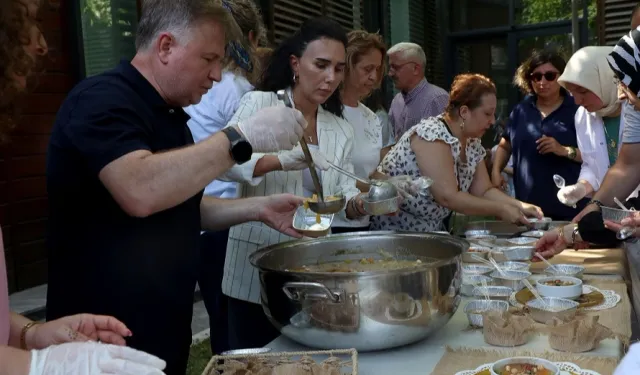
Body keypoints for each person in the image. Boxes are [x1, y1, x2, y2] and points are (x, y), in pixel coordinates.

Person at [45, 1, 309, 374]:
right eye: (209, 59)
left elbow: (183, 204)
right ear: (166, 46)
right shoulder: (100, 100)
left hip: (163, 330)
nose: (217, 75)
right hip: (99, 340)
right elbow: (140, 191)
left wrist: (259, 208)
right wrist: (239, 137)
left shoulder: (171, 116)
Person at [1, 1, 166, 374]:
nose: (41, 45)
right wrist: (38, 366)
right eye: (25, 21)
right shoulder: (98, 100)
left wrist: (32, 333)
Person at [219, 17, 366, 350]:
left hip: (313, 268)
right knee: (254, 363)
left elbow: (338, 195)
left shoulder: (339, 130)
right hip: (254, 265)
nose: (331, 78)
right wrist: (281, 160)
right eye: (322, 65)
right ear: (296, 65)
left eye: (339, 69)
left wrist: (356, 204)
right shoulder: (260, 105)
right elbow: (225, 163)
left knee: (310, 361)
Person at [182, 0, 266, 355]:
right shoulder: (237, 90)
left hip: (199, 216)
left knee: (219, 317)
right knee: (237, 319)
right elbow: (247, 160)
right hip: (227, 219)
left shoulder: (198, 89)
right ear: (248, 38)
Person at [371, 74, 543, 233]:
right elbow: (448, 197)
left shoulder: (471, 142)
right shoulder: (432, 134)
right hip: (393, 232)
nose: (492, 122)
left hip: (429, 233)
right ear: (464, 112)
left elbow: (483, 190)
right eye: (487, 114)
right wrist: (500, 209)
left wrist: (520, 205)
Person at [492, 48, 583, 221]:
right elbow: (506, 145)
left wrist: (564, 150)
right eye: (536, 76)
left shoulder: (577, 109)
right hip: (528, 210)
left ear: (562, 77)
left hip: (569, 210)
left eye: (550, 76)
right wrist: (496, 171)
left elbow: (595, 157)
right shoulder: (521, 110)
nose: (542, 81)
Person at [554, 46, 639, 208]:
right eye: (572, 93)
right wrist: (581, 187)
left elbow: (630, 166)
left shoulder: (636, 109)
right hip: (607, 208)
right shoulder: (582, 116)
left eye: (583, 92)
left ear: (608, 80)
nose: (578, 101)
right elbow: (590, 164)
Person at [337, 30, 394, 232]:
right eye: (367, 69)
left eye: (377, 70)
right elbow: (335, 176)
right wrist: (384, 189)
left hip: (364, 221)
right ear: (347, 66)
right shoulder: (327, 113)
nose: (373, 77)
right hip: (332, 223)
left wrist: (396, 182)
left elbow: (368, 171)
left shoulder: (372, 117)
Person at [387, 42, 449, 141]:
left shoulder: (437, 99)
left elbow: (450, 144)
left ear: (415, 69)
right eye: (390, 67)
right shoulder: (396, 101)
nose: (390, 73)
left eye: (396, 67)